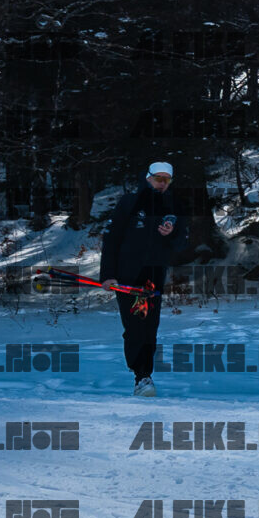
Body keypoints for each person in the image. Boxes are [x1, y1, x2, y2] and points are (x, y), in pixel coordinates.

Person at [102, 160, 184, 397]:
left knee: (149, 328)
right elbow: (111, 239)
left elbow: (182, 242)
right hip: (128, 276)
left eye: (167, 180)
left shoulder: (173, 205)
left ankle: (144, 375)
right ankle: (142, 376)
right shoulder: (129, 203)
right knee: (136, 326)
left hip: (154, 277)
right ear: (147, 178)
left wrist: (173, 233)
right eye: (158, 178)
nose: (162, 183)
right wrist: (108, 275)